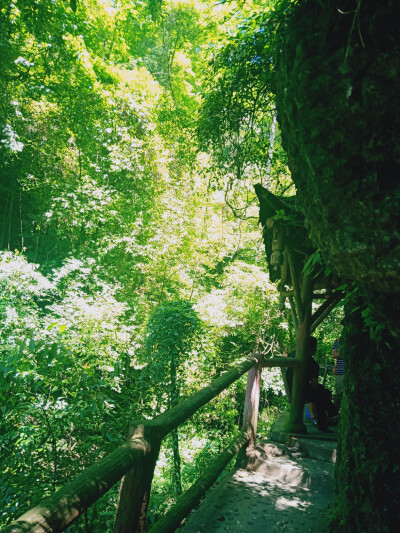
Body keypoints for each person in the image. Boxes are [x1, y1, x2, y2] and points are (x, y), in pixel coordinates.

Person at [304, 337, 338, 431]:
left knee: (321, 391)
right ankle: (328, 419)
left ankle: (332, 414)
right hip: (301, 391)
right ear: (314, 348)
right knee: (321, 395)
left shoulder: (293, 355)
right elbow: (314, 386)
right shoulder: (312, 363)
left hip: (292, 388)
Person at [332, 337, 344, 409]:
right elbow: (334, 354)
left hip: (354, 372)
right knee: (338, 394)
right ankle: (334, 414)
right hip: (341, 372)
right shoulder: (338, 340)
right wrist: (347, 352)